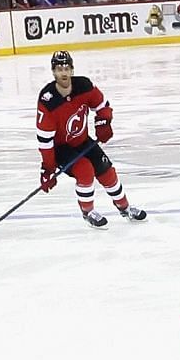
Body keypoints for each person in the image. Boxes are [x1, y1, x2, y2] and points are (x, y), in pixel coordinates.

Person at [34, 51, 145, 229]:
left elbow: (102, 105)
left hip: (84, 140)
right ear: (53, 72)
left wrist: (103, 122)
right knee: (85, 170)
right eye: (59, 69)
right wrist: (48, 167)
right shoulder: (48, 100)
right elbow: (44, 140)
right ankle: (88, 212)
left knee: (106, 170)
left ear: (72, 70)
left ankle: (125, 208)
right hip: (61, 149)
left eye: (66, 68)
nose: (63, 72)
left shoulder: (83, 85)